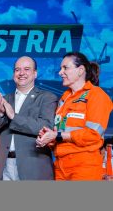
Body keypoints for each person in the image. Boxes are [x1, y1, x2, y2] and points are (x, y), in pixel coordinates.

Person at [37, 52, 112, 180]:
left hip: (84, 165)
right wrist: (49, 138)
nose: (60, 72)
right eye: (60, 68)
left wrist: (58, 135)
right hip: (60, 165)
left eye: (65, 68)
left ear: (80, 70)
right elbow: (62, 133)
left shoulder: (96, 95)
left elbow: (93, 134)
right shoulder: (64, 99)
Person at [0, 56, 58, 180]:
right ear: (13, 74)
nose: (21, 73)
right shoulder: (5, 99)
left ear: (35, 73)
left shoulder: (47, 97)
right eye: (17, 69)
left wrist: (14, 117)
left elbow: (45, 127)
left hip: (34, 165)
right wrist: (1, 114)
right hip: (5, 166)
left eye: (27, 69)